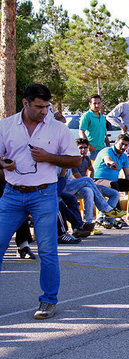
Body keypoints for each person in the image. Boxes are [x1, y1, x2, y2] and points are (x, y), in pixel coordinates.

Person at [0, 83, 81, 319]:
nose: (44, 111)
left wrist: (50, 158)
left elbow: (75, 160)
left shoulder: (58, 129)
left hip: (45, 194)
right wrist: (3, 164)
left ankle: (48, 301)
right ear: (25, 103)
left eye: (47, 106)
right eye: (39, 107)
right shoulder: (5, 126)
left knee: (47, 250)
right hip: (12, 193)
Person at [92, 135, 129, 222]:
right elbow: (107, 160)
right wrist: (111, 163)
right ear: (116, 143)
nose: (123, 147)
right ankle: (117, 217)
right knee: (114, 185)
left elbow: (128, 174)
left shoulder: (124, 157)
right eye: (121, 144)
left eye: (126, 145)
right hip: (98, 181)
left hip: (113, 182)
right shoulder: (107, 151)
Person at [79, 94, 109, 160]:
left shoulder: (102, 117)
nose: (97, 105)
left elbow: (105, 134)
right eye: (94, 103)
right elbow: (81, 132)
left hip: (103, 150)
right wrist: (89, 146)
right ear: (90, 104)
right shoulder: (86, 116)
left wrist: (108, 147)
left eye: (99, 103)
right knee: (91, 170)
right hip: (92, 151)